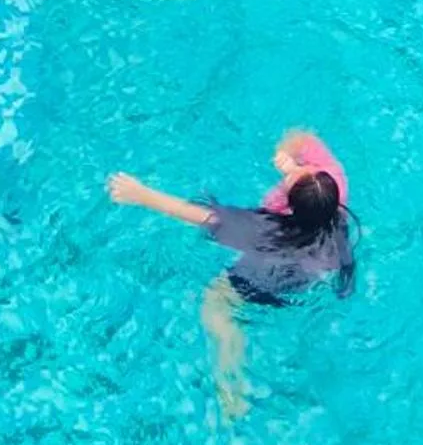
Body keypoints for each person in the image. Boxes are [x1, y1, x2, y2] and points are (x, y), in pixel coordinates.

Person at [104, 163, 354, 419]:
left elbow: (197, 216)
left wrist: (140, 194)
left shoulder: (262, 226)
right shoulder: (340, 225)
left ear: (291, 205)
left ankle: (231, 390)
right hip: (296, 289)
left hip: (249, 285)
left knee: (217, 312)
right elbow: (345, 269)